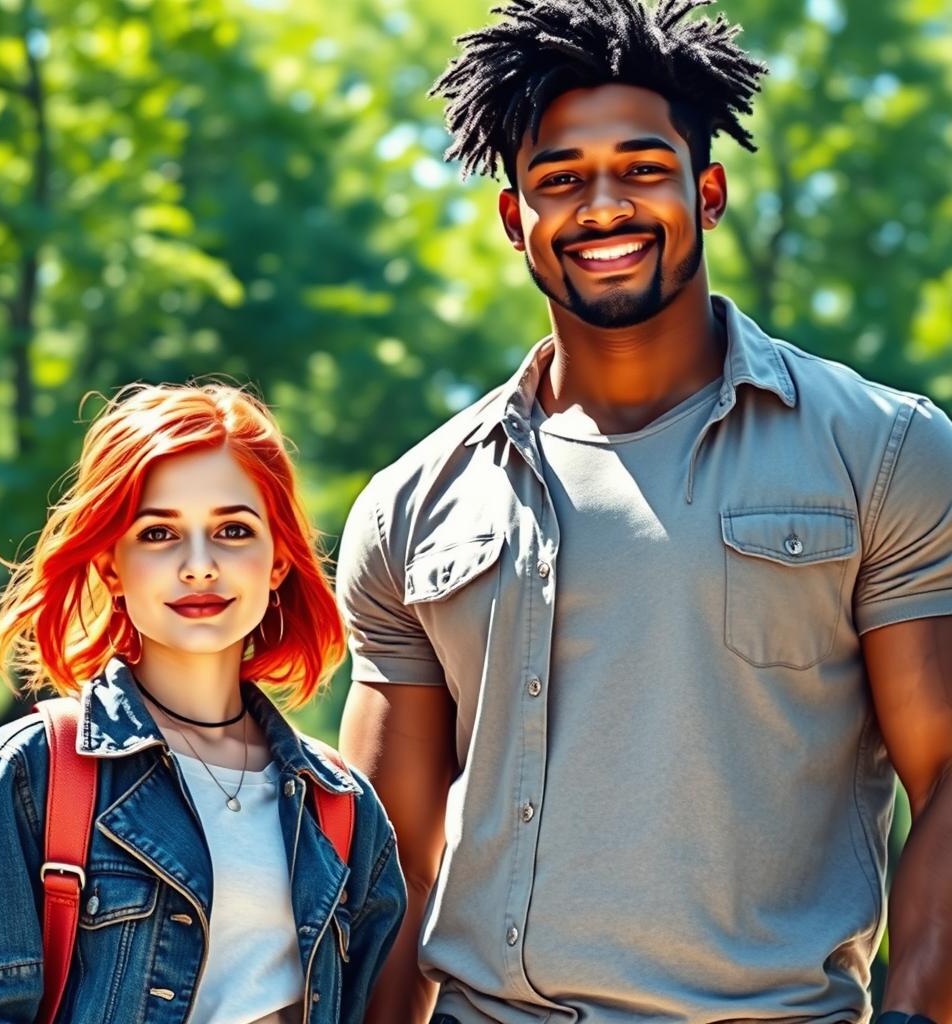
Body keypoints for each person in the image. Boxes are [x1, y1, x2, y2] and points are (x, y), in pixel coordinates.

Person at [334, 1, 952, 1022]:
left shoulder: (882, 455)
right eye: (561, 180)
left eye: (642, 167)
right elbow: (385, 857)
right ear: (513, 218)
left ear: (705, 191)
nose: (604, 205)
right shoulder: (412, 506)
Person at [0, 382, 405, 1023]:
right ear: (111, 567)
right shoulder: (39, 770)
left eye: (234, 530)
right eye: (158, 534)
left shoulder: (340, 806)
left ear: (278, 562)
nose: (199, 565)